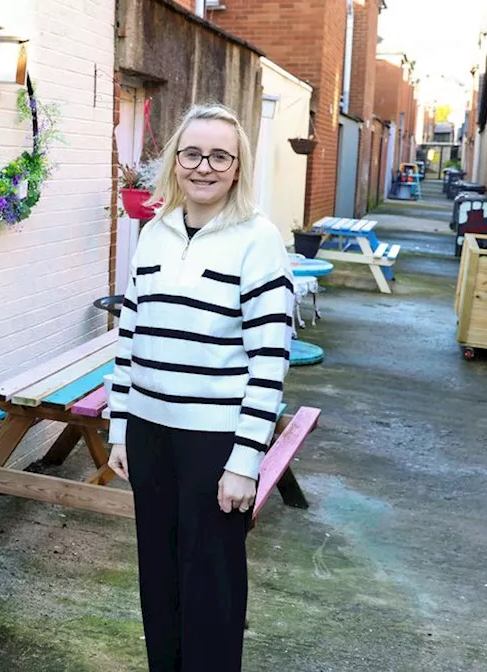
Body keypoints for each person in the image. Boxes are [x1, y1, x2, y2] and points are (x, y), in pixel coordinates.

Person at [105, 103, 294, 672]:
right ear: (175, 161)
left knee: (211, 584)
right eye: (192, 153)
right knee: (158, 577)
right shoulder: (155, 230)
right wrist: (120, 427)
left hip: (215, 442)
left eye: (219, 156)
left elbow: (269, 360)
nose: (204, 166)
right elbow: (130, 334)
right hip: (149, 434)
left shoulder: (258, 239)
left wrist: (245, 461)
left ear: (238, 166)